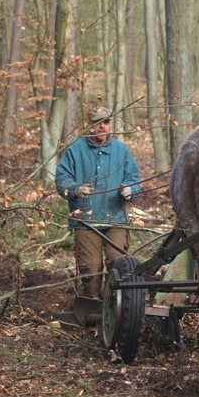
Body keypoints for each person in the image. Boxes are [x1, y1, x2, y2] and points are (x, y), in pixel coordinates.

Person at [55, 105, 141, 300]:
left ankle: (117, 306)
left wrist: (130, 190)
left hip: (116, 219)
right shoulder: (75, 150)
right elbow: (62, 180)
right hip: (85, 220)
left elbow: (134, 180)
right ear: (89, 126)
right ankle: (92, 305)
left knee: (117, 263)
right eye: (97, 123)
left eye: (106, 122)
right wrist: (75, 189)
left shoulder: (121, 149)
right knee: (90, 268)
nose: (102, 126)